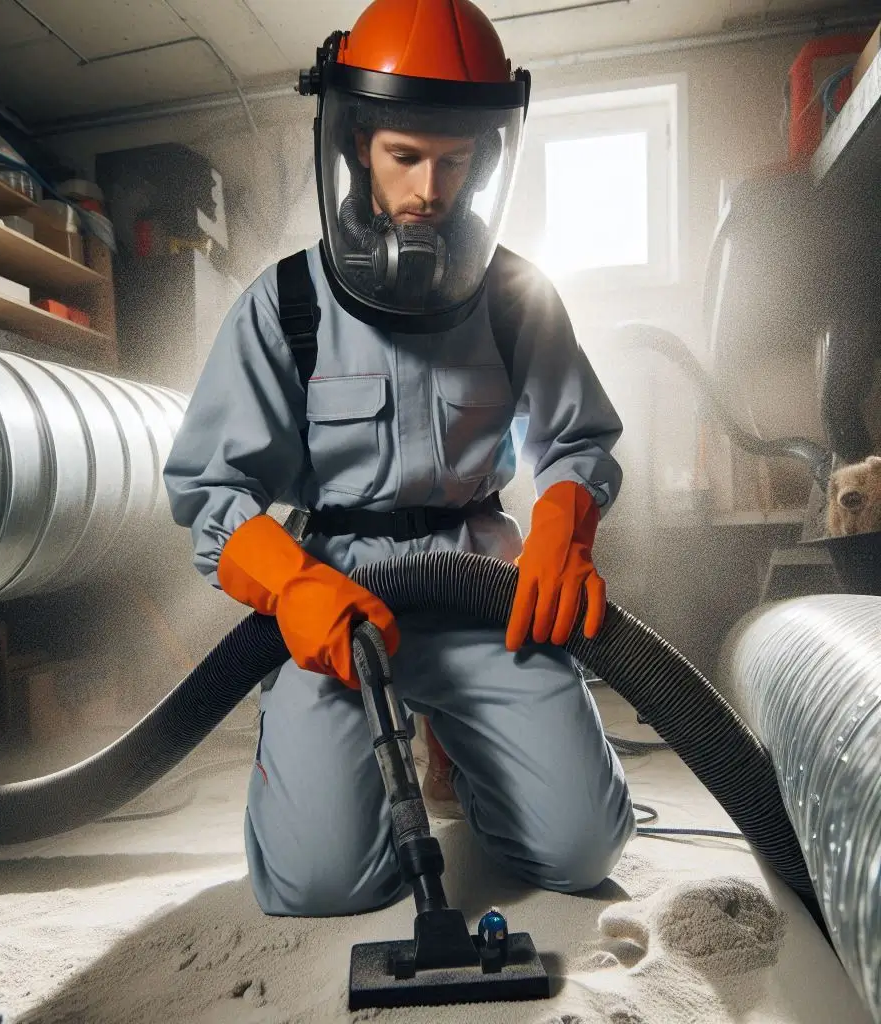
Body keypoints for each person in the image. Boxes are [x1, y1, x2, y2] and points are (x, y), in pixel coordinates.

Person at [164, 0, 635, 918]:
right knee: (320, 882)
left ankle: (460, 756)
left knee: (582, 849)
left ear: (486, 158)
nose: (428, 188)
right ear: (357, 143)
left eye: (454, 162)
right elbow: (211, 487)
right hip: (340, 599)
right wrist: (292, 586)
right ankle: (324, 770)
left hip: (478, 586)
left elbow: (578, 439)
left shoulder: (516, 298)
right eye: (405, 156)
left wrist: (564, 526)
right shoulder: (287, 305)